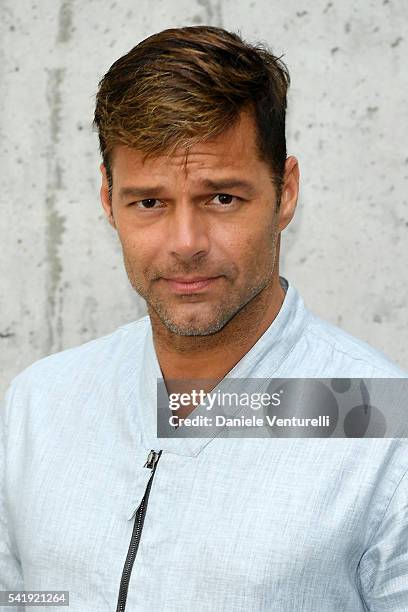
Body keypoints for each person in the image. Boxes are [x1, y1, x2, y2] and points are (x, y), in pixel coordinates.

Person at [1, 25, 407, 612]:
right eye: (149, 202)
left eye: (222, 198)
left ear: (285, 192)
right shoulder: (40, 404)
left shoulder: (382, 424)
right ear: (107, 202)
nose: (186, 243)